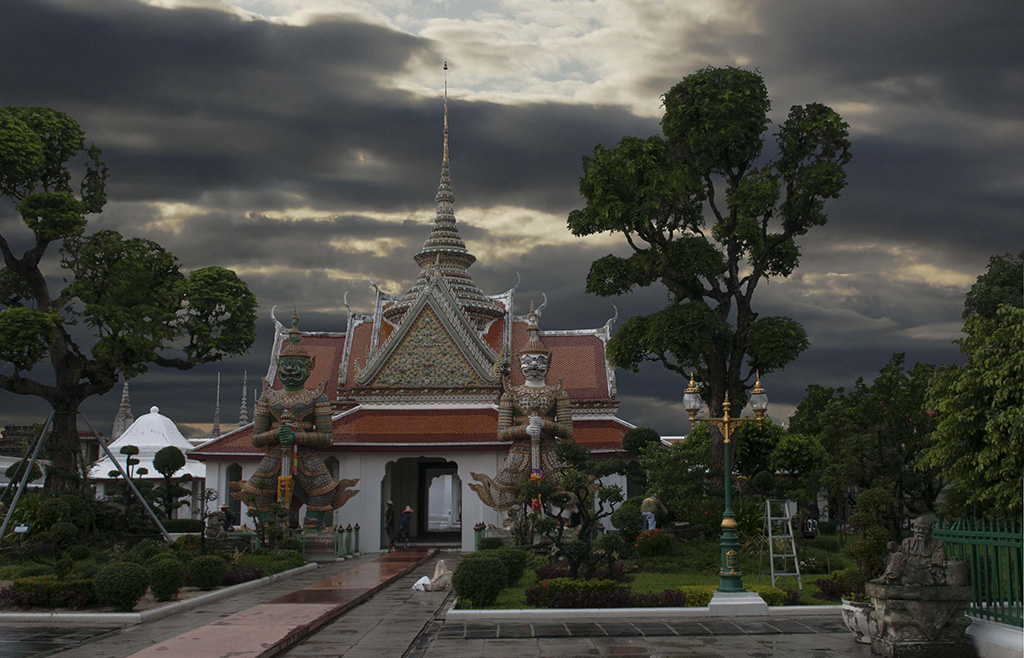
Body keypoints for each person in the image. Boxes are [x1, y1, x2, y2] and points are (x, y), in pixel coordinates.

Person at [231, 312, 359, 532]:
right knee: (256, 493)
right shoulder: (268, 398)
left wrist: (296, 437)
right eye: (286, 365)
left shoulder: (317, 397)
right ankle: (269, 532)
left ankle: (311, 532)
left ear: (309, 368)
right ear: (279, 366)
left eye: (296, 366)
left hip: (306, 457)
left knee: (325, 492)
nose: (290, 370)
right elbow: (256, 439)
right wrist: (276, 435)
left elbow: (327, 438)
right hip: (274, 456)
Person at [469, 304, 573, 511]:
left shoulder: (557, 393)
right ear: (519, 364)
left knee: (567, 496)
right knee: (502, 497)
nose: (534, 365)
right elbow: (501, 433)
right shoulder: (511, 394)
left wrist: (545, 425)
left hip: (549, 449)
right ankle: (517, 522)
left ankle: (555, 522)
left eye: (540, 361)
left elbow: (568, 432)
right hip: (520, 451)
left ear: (548, 364)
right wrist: (525, 429)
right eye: (528, 361)